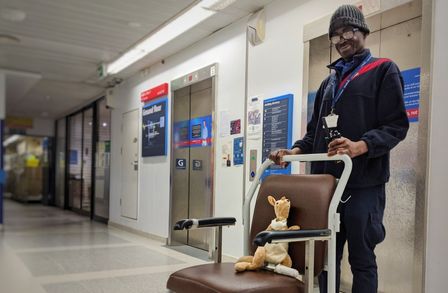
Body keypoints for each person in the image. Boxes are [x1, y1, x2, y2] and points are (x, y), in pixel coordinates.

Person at [269, 5, 409, 293]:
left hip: (363, 185)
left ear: (363, 32)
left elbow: (396, 126)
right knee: (324, 258)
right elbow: (314, 134)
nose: (342, 38)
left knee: (361, 258)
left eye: (348, 31)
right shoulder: (328, 83)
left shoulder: (383, 69)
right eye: (335, 35)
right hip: (325, 187)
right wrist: (294, 152)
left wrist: (361, 145)